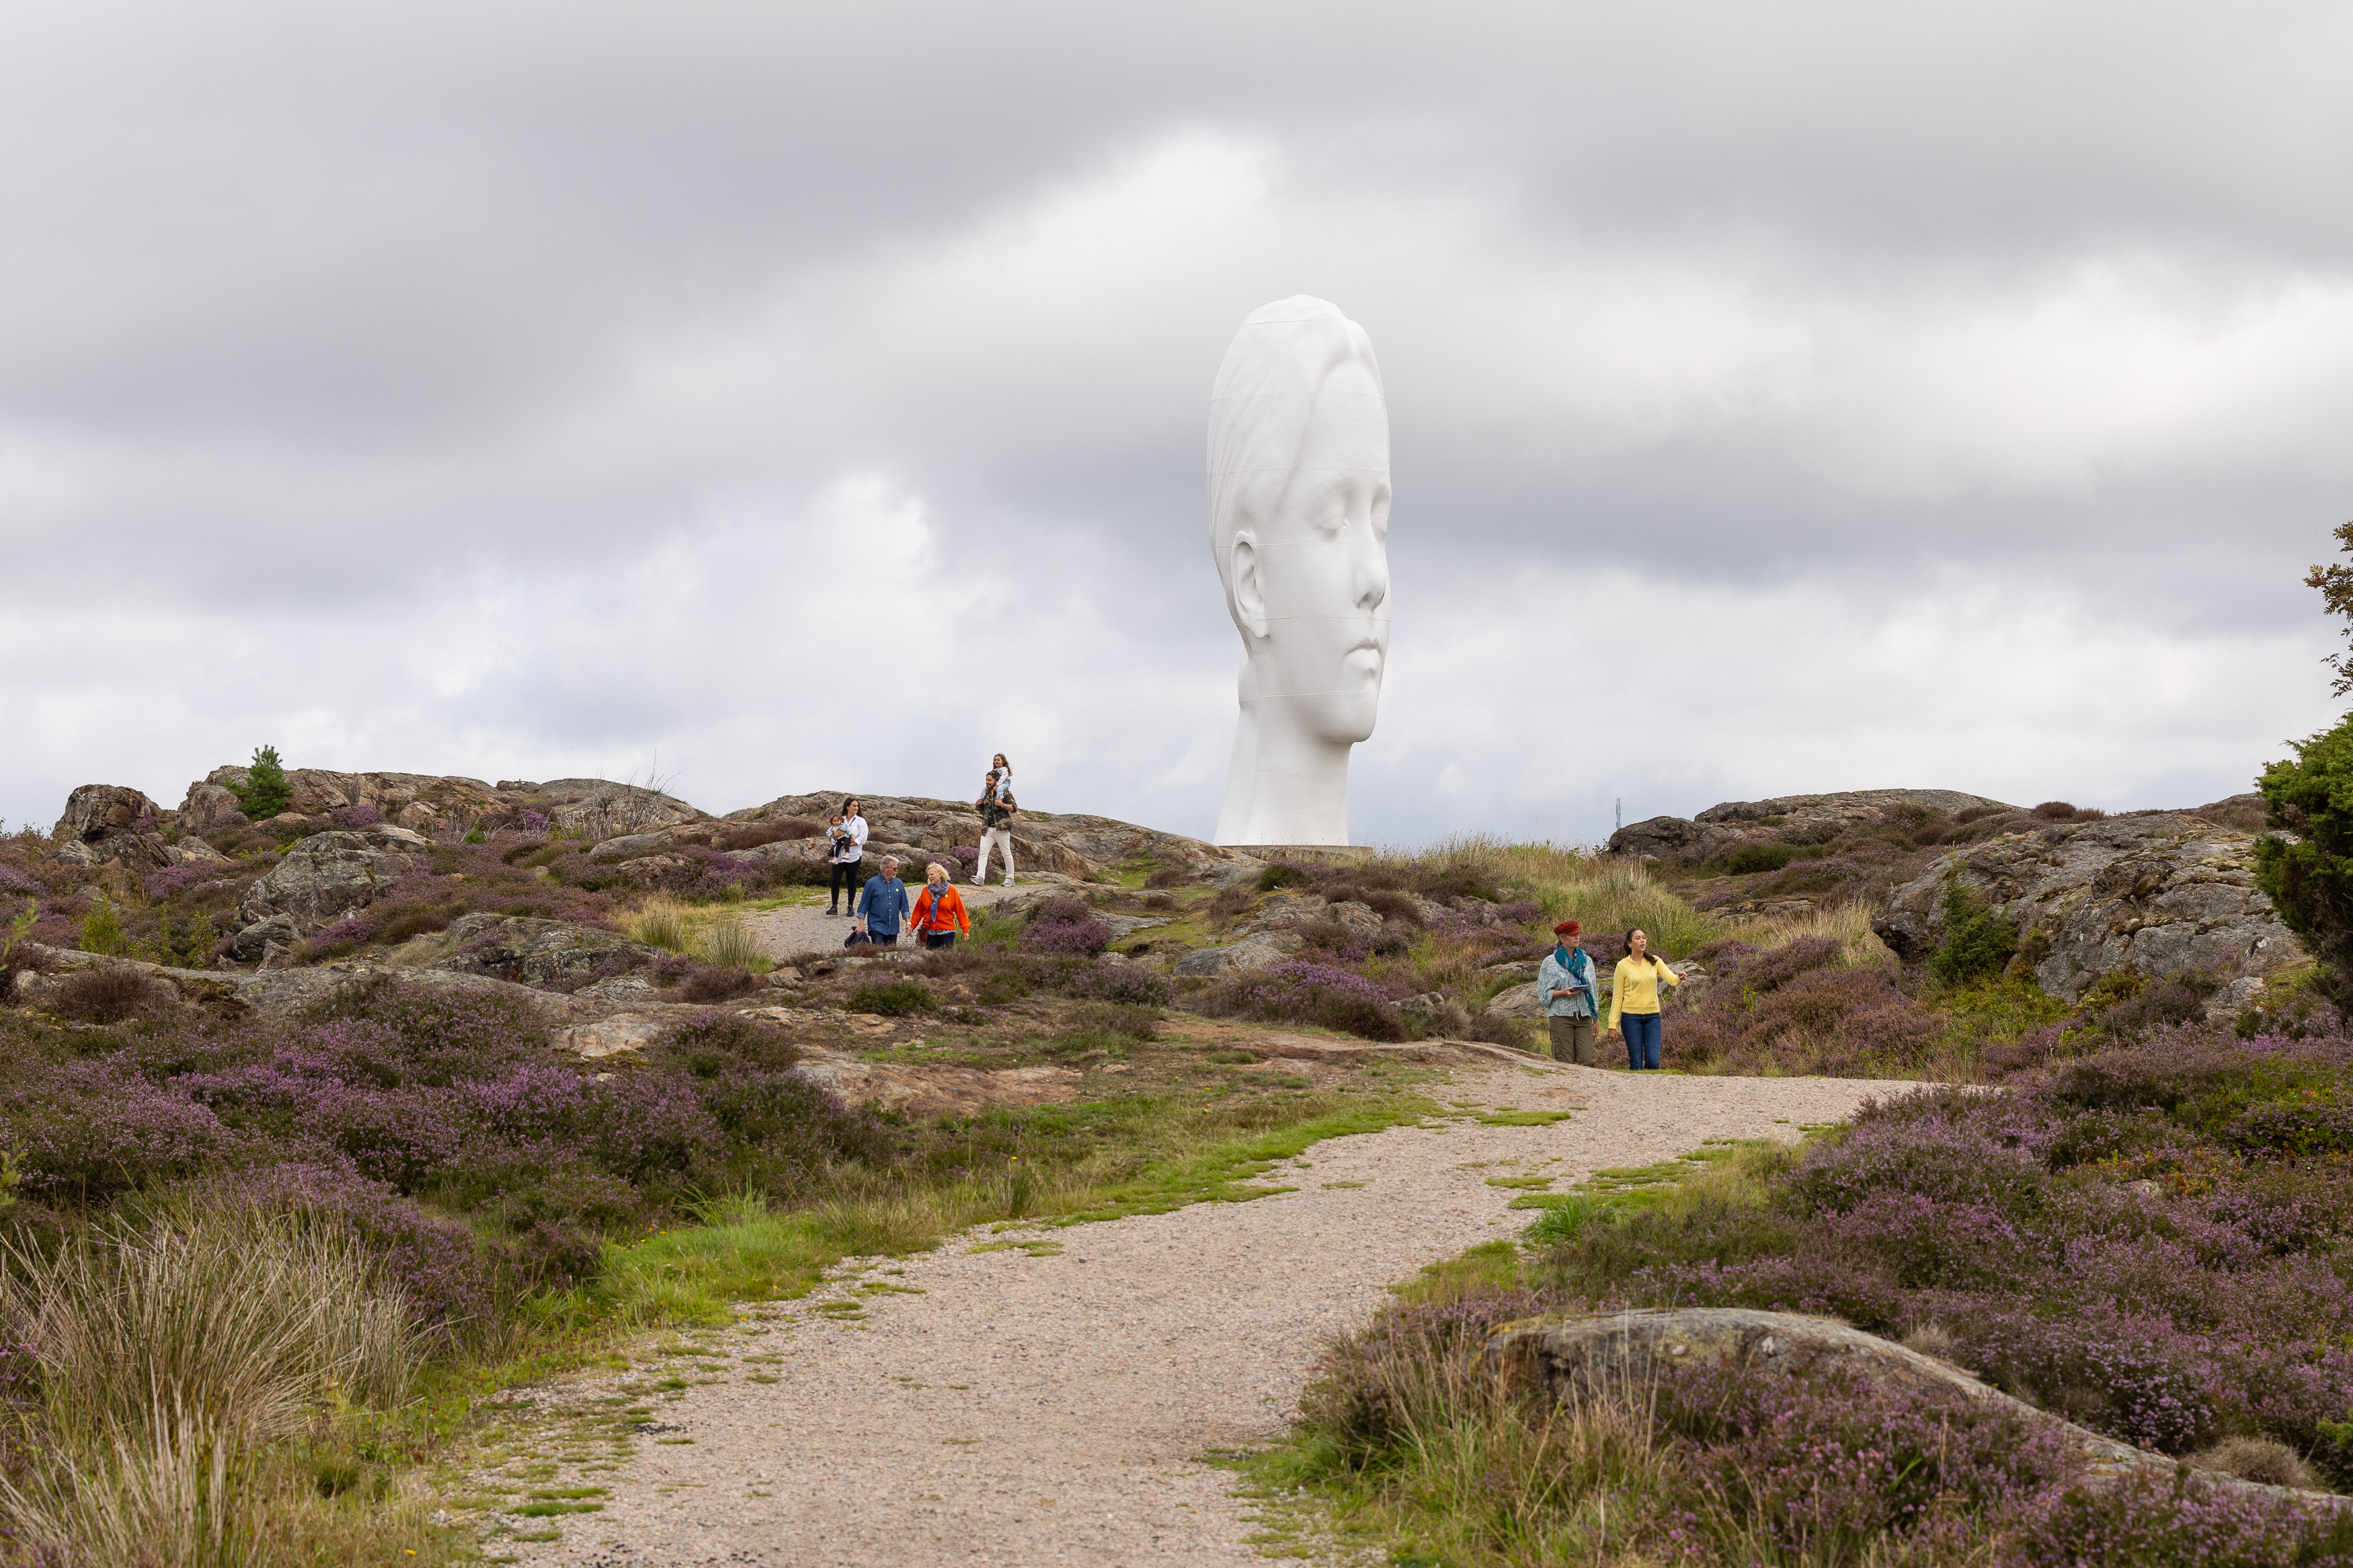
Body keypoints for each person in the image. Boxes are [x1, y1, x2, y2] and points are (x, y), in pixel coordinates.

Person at [1606, 927, 1681, 1071]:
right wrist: (1612, 1025)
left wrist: (1680, 978)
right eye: (1638, 938)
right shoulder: (1622, 965)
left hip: (1652, 1017)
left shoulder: (1655, 961)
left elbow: (1672, 979)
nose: (1642, 941)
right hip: (1630, 1018)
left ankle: (1652, 1086)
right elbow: (1617, 998)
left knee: (1653, 1062)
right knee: (1636, 1063)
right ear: (1630, 943)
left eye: (1644, 938)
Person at [1536, 919, 1600, 1065]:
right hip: (1560, 1017)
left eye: (1578, 934)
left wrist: (1595, 1018)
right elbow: (1543, 995)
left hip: (1584, 1016)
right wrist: (1563, 993)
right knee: (1565, 1062)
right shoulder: (1550, 962)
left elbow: (1593, 991)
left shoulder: (1587, 961)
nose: (1577, 937)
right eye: (1573, 935)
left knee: (1587, 1060)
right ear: (1562, 938)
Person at [910, 862, 971, 950]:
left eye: (932, 874)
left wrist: (965, 929)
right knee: (931, 958)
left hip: (948, 933)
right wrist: (912, 926)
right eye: (928, 875)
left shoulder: (952, 891)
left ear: (940, 874)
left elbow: (960, 911)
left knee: (946, 958)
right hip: (930, 933)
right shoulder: (926, 891)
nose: (930, 877)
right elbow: (918, 911)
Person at [853, 855, 910, 948]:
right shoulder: (871, 884)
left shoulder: (899, 884)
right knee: (880, 952)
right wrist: (861, 924)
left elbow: (904, 904)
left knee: (891, 954)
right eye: (894, 869)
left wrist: (908, 922)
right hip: (876, 926)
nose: (896, 871)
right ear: (885, 869)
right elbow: (864, 905)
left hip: (893, 927)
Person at [826, 797, 868, 917]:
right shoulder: (840, 820)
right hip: (839, 856)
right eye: (854, 806)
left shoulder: (861, 821)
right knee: (835, 880)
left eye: (857, 806)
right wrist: (835, 837)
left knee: (851, 880)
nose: (856, 808)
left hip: (854, 855)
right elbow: (832, 835)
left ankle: (850, 906)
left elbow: (863, 838)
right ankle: (834, 906)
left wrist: (849, 844)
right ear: (847, 807)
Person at [975, 773, 1018, 887]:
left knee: (1006, 853)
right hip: (987, 829)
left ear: (996, 781)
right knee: (983, 853)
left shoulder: (1005, 793)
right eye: (986, 780)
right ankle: (980, 878)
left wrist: (1002, 804)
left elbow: (1014, 808)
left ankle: (1010, 878)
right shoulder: (986, 794)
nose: (987, 782)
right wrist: (979, 805)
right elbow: (983, 811)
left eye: (990, 780)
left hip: (1001, 829)